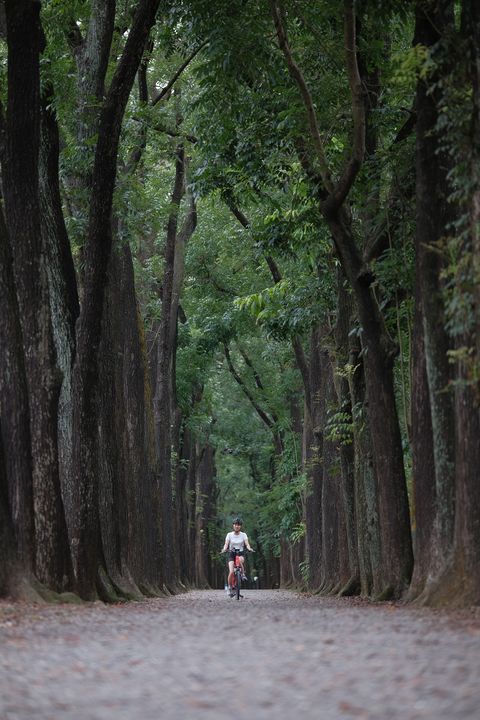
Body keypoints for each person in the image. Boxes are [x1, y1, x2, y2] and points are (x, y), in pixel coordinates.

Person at [221, 518, 253, 595]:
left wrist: (249, 548)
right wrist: (224, 549)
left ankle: (242, 573)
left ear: (240, 526)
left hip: (240, 553)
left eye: (238, 525)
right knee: (231, 571)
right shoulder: (229, 534)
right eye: (235, 524)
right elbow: (226, 544)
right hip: (231, 554)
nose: (237, 526)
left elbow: (247, 543)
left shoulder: (243, 535)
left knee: (239, 559)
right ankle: (229, 587)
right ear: (233, 525)